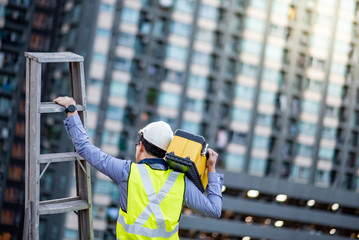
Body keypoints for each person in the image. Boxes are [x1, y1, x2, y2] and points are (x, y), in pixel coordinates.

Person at [53, 96, 223, 240]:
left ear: (140, 146)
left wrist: (71, 108)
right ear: (166, 154)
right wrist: (212, 169)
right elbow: (215, 210)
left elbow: (85, 148)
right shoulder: (181, 182)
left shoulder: (127, 172)